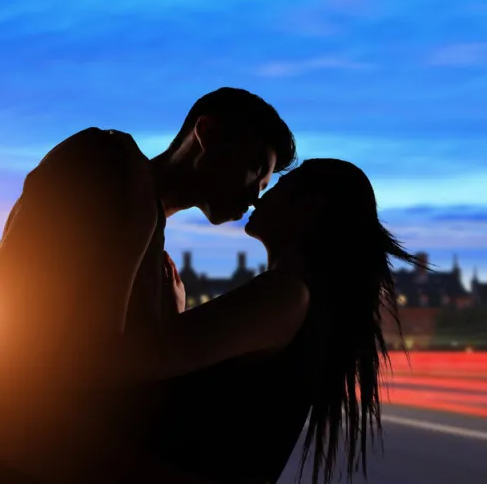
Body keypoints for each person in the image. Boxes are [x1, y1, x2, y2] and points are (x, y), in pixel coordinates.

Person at [0, 87, 297, 484]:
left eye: (266, 185)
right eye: (255, 169)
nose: (256, 196)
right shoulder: (110, 162)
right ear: (207, 132)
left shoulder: (155, 251)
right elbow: (66, 373)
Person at [133, 159, 421, 484]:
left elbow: (143, 361)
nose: (258, 198)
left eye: (278, 189)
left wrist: (169, 318)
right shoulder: (300, 300)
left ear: (308, 208)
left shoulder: (284, 293)